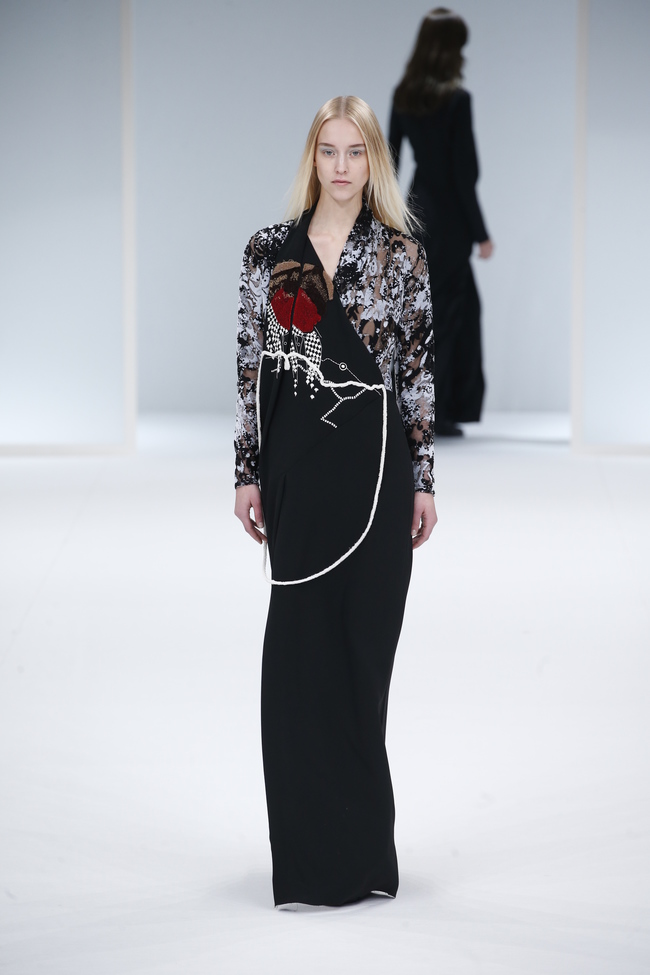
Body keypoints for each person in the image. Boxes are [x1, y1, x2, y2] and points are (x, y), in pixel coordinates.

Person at [234, 95, 436, 909]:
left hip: (380, 473)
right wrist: (246, 471)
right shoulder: (269, 251)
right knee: (297, 660)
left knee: (362, 661)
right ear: (312, 158)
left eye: (356, 152)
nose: (342, 167)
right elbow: (252, 366)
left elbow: (417, 372)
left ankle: (361, 856)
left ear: (373, 160)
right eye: (329, 150)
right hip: (297, 474)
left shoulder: (400, 256)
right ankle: (307, 860)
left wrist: (425, 480)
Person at [389, 7, 493, 437]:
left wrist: (387, 218)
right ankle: (441, 412)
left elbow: (390, 161)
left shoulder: (403, 95)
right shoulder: (457, 100)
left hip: (416, 212)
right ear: (451, 51)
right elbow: (464, 175)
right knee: (453, 315)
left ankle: (415, 411)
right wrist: (480, 233)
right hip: (449, 219)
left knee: (419, 316)